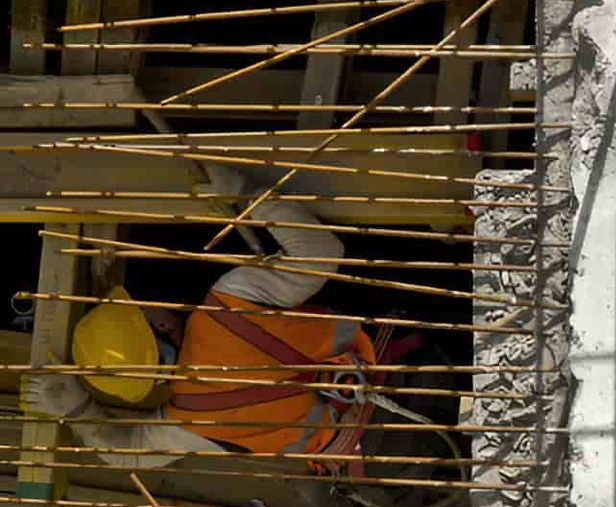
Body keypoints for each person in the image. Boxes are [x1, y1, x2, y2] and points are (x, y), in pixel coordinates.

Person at [25, 190, 376, 470]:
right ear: (161, 325)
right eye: (143, 308)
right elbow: (323, 251)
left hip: (361, 448)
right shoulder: (228, 303)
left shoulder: (191, 423)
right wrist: (249, 196)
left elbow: (126, 454)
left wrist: (77, 410)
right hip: (400, 370)